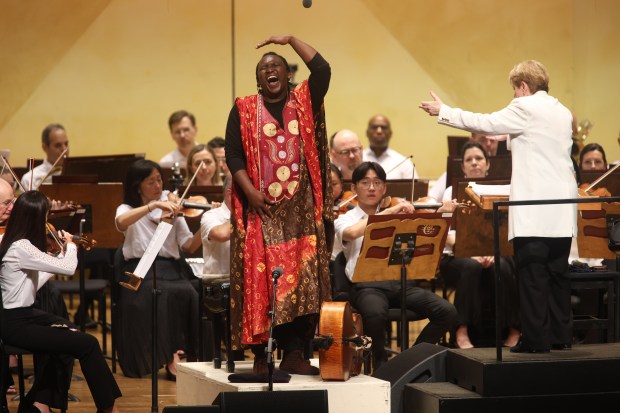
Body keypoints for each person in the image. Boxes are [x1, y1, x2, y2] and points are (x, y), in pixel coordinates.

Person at [420, 59, 577, 353]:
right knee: (558, 274)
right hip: (562, 206)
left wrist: (444, 112)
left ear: (523, 86)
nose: (513, 97)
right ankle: (560, 336)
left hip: (534, 209)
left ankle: (536, 341)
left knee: (532, 275)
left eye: (514, 90)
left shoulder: (525, 106)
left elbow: (486, 124)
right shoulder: (562, 111)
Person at [225, 35, 333, 375]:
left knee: (303, 282)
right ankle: (261, 357)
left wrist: (289, 40)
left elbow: (323, 68)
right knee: (263, 282)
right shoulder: (243, 109)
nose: (270, 70)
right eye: (264, 68)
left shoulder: (305, 101)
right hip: (263, 212)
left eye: (277, 66)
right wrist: (250, 193)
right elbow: (233, 155)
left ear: (287, 75)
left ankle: (296, 354)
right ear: (258, 79)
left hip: (300, 212)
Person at [0, 191, 121, 413]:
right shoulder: (21, 247)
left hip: (24, 316)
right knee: (88, 344)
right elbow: (69, 268)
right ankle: (109, 409)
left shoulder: (16, 243)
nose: (47, 223)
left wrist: (58, 255)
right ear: (35, 218)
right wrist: (71, 244)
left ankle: (39, 403)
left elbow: (32, 283)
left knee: (71, 332)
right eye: (45, 217)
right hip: (16, 323)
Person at [334, 162, 458, 371]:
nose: (372, 188)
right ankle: (380, 364)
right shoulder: (344, 218)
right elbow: (352, 233)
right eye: (365, 183)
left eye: (377, 183)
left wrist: (444, 214)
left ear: (384, 188)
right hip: (366, 286)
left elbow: (429, 234)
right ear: (354, 188)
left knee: (447, 311)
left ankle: (413, 360)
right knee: (375, 313)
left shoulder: (398, 216)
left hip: (399, 283)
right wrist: (390, 212)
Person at [115, 159, 202, 379]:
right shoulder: (127, 208)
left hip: (171, 268)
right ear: (138, 186)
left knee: (189, 293)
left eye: (159, 180)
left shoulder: (173, 207)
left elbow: (189, 245)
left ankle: (180, 353)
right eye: (151, 182)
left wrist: (206, 227)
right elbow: (121, 222)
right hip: (139, 269)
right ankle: (166, 356)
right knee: (158, 295)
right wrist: (152, 206)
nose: (158, 186)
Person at [439, 141, 520, 349]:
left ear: (488, 164)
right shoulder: (451, 192)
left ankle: (513, 329)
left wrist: (493, 251)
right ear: (463, 167)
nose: (474, 163)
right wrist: (469, 250)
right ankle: (461, 329)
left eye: (479, 159)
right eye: (469, 160)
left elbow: (509, 227)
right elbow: (444, 231)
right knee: (471, 266)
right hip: (458, 254)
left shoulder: (502, 189)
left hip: (498, 251)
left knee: (502, 266)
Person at [363, 114, 417, 180]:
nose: (379, 131)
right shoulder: (357, 160)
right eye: (374, 127)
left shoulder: (403, 162)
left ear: (390, 133)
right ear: (367, 133)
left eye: (383, 127)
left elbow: (415, 189)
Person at [20, 124, 69, 190]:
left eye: (66, 144)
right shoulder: (29, 179)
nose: (64, 149)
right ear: (45, 147)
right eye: (58, 145)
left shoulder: (77, 175)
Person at [200, 176, 232, 275]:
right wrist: (241, 213)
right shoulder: (211, 215)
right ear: (229, 194)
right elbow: (221, 234)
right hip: (219, 284)